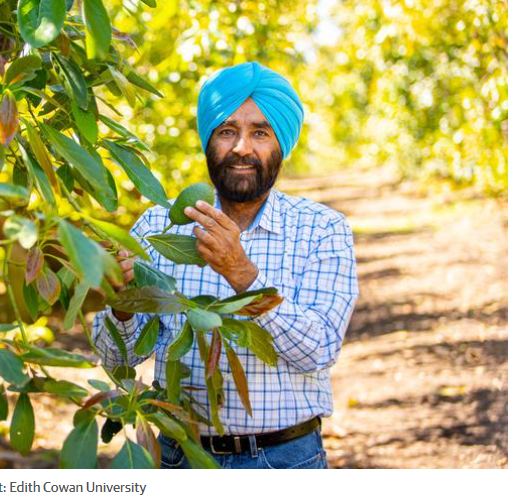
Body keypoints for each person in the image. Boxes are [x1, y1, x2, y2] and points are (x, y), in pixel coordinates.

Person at [90, 61, 359, 469]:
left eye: (260, 133)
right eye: (227, 131)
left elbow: (319, 349)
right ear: (208, 141)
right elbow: (115, 360)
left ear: (281, 144)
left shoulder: (322, 229)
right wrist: (122, 304)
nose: (242, 148)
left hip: (286, 461)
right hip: (182, 458)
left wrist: (242, 274)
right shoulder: (158, 227)